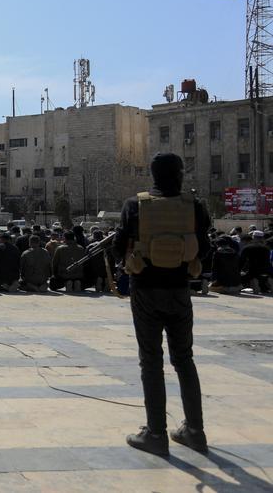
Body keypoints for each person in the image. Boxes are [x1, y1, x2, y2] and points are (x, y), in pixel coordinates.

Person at [115, 153, 210, 458]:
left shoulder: (136, 205)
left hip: (145, 291)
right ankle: (195, 431)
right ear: (180, 174)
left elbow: (119, 248)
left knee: (151, 361)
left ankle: (155, 434)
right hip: (180, 289)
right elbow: (204, 248)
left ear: (153, 175)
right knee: (184, 359)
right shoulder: (193, 206)